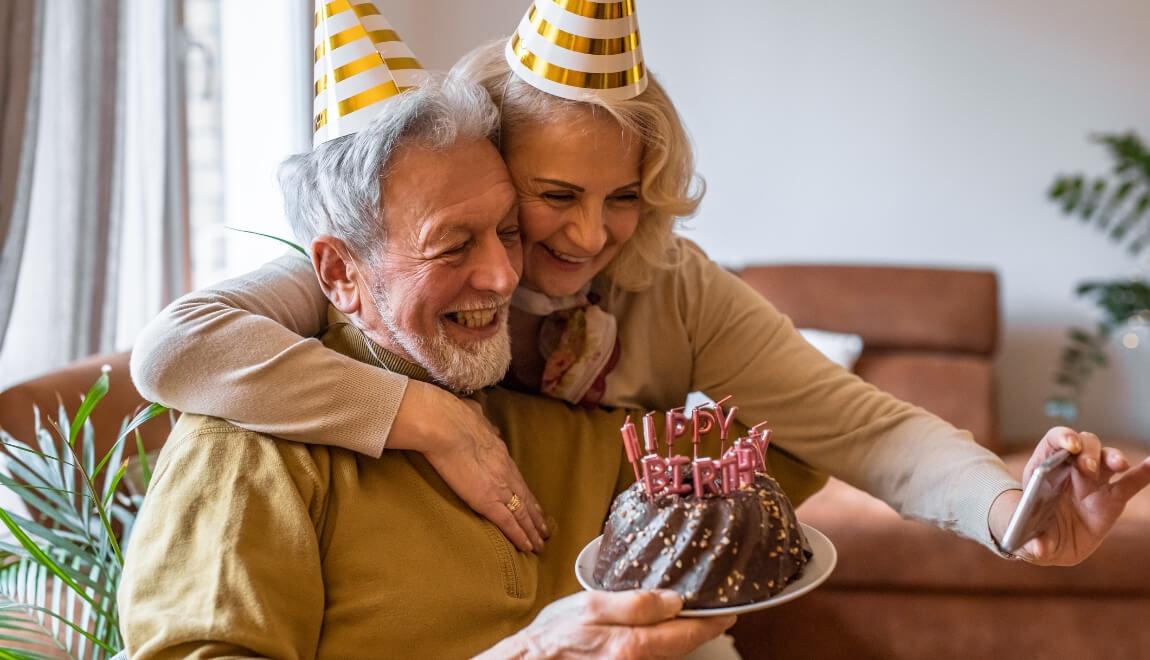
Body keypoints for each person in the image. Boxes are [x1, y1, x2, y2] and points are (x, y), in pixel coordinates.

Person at [130, 0, 1149, 566]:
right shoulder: (387, 279)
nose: (588, 235)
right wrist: (428, 416)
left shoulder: (668, 285)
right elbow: (178, 346)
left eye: (625, 196)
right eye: (553, 194)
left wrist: (1010, 510)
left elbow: (865, 427)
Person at [117, 75, 740, 659]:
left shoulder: (545, 413)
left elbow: (760, 462)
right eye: (453, 244)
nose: (503, 277)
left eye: (508, 231)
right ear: (339, 273)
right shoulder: (248, 449)